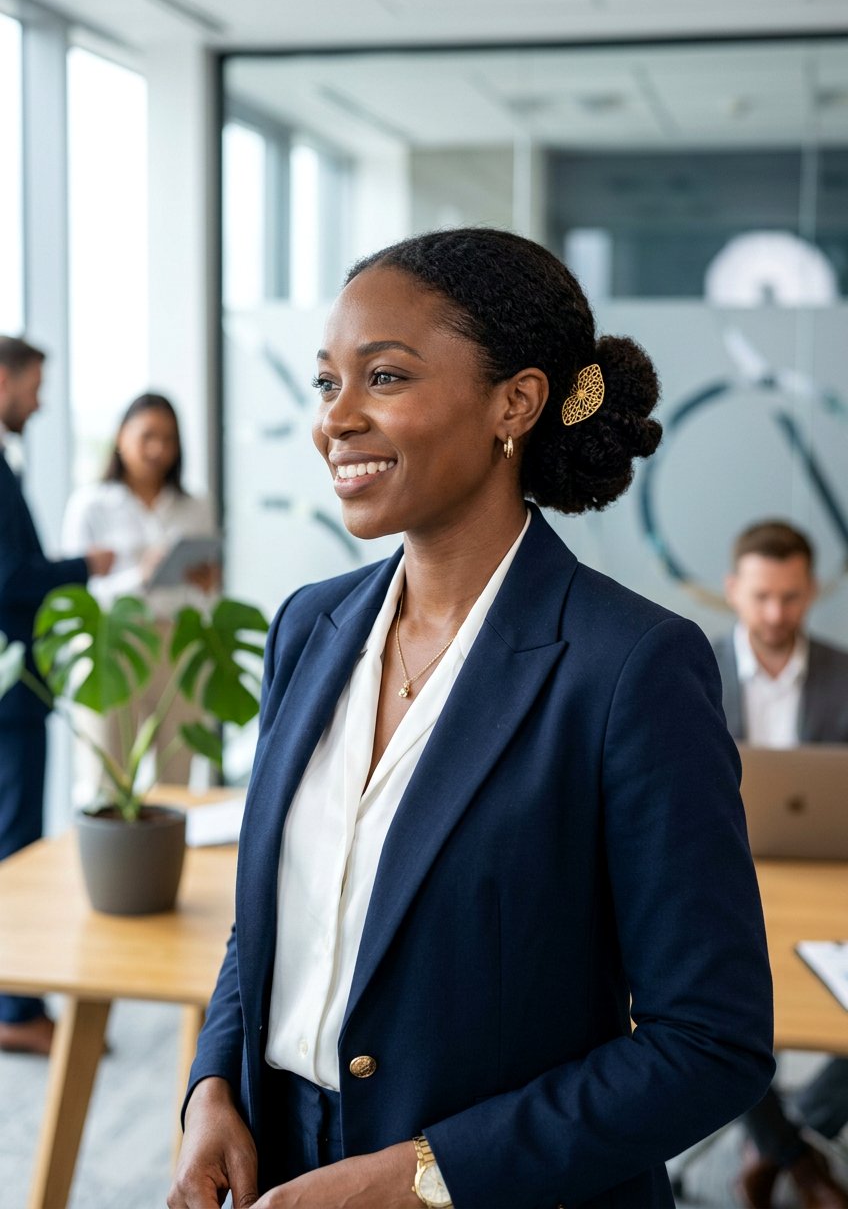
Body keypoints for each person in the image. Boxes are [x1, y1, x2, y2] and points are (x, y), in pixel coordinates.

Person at [169, 227, 774, 1209]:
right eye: (327, 383)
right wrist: (212, 1085)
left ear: (515, 403)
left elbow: (710, 1042)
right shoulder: (308, 625)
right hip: (284, 1167)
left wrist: (423, 1179)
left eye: (386, 377)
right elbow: (273, 919)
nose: (338, 419)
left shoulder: (630, 668)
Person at [715, 520, 848, 1209]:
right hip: (716, 881)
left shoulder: (842, 675)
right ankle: (799, 1159)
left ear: (811, 593)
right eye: (762, 596)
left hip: (828, 883)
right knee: (710, 1007)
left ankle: (784, 1139)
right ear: (734, 590)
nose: (776, 614)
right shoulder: (690, 672)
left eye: (791, 598)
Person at [0, 335, 114, 1054]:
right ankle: (17, 1010)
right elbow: (9, 580)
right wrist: (82, 566)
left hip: (13, 682)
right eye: (33, 386)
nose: (39, 402)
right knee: (15, 844)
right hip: (14, 689)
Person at [61, 393, 219, 793]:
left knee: (178, 772)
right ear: (120, 437)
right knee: (106, 778)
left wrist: (205, 584)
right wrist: (141, 576)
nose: (158, 449)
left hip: (177, 642)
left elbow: (206, 589)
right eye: (148, 436)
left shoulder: (194, 505)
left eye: (169, 439)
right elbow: (75, 595)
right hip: (113, 645)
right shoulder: (90, 505)